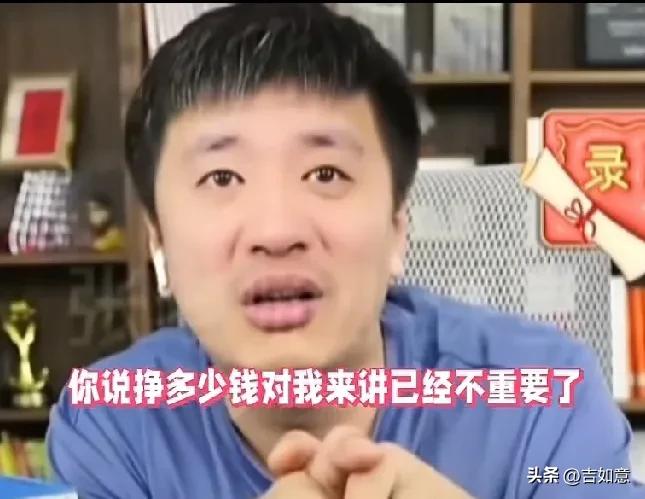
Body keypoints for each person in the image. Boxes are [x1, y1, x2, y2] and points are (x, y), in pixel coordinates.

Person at [46, 3, 644, 498]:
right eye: (221, 177)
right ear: (158, 240)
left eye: (326, 173)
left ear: (397, 228)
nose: (276, 231)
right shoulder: (112, 423)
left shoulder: (549, 398)